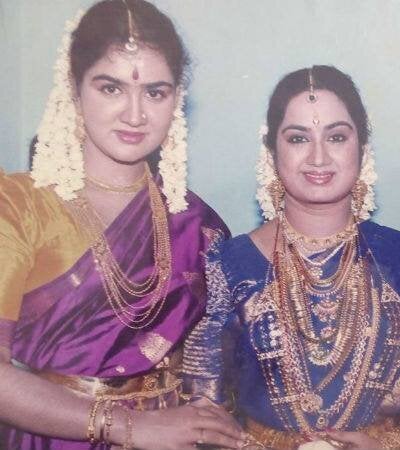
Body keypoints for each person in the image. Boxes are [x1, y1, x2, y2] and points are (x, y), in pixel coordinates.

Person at [182, 65, 400, 450]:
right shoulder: (228, 266)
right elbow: (203, 399)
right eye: (299, 138)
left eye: (336, 136)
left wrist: (397, 443)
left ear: (362, 148)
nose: (319, 157)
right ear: (272, 152)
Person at [0, 1, 245, 448]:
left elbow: (209, 362)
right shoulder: (18, 206)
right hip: (54, 436)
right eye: (110, 88)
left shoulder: (196, 222)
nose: (135, 114)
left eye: (155, 92)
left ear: (177, 99)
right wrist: (131, 427)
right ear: (74, 90)